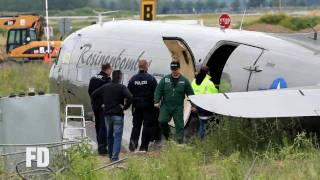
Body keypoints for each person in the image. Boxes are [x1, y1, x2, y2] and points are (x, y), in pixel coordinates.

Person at [91, 70, 132, 162]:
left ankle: (110, 156)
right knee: (117, 136)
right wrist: (125, 107)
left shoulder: (105, 87)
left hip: (107, 115)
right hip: (118, 114)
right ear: (120, 78)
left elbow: (94, 95)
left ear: (112, 77)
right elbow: (130, 97)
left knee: (109, 135)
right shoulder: (122, 87)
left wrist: (101, 104)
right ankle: (115, 158)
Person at [154, 61, 195, 144]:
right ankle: (169, 137)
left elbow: (191, 94)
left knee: (179, 125)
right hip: (166, 106)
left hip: (178, 107)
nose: (174, 71)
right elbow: (158, 90)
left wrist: (193, 106)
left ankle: (179, 143)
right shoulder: (165, 79)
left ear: (179, 69)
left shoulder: (184, 80)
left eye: (175, 69)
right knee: (162, 121)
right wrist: (156, 101)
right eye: (172, 69)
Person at [127, 60, 158, 152]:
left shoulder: (133, 79)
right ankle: (143, 147)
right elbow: (156, 93)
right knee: (146, 126)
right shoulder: (151, 78)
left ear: (139, 66)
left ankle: (132, 146)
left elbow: (128, 93)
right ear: (146, 66)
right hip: (148, 107)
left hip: (137, 107)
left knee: (136, 126)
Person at [88, 63, 112, 155]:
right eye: (111, 69)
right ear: (108, 69)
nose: (111, 71)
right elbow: (108, 93)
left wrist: (94, 101)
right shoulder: (107, 80)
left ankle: (99, 146)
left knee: (98, 125)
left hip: (95, 105)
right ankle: (102, 149)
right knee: (103, 127)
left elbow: (90, 91)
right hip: (103, 106)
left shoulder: (93, 78)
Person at [191, 66, 218, 139]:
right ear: (208, 72)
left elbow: (191, 93)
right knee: (204, 125)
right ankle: (202, 141)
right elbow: (214, 94)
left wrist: (193, 106)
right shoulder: (209, 83)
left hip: (196, 105)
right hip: (204, 106)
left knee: (201, 123)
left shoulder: (194, 81)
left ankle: (201, 140)